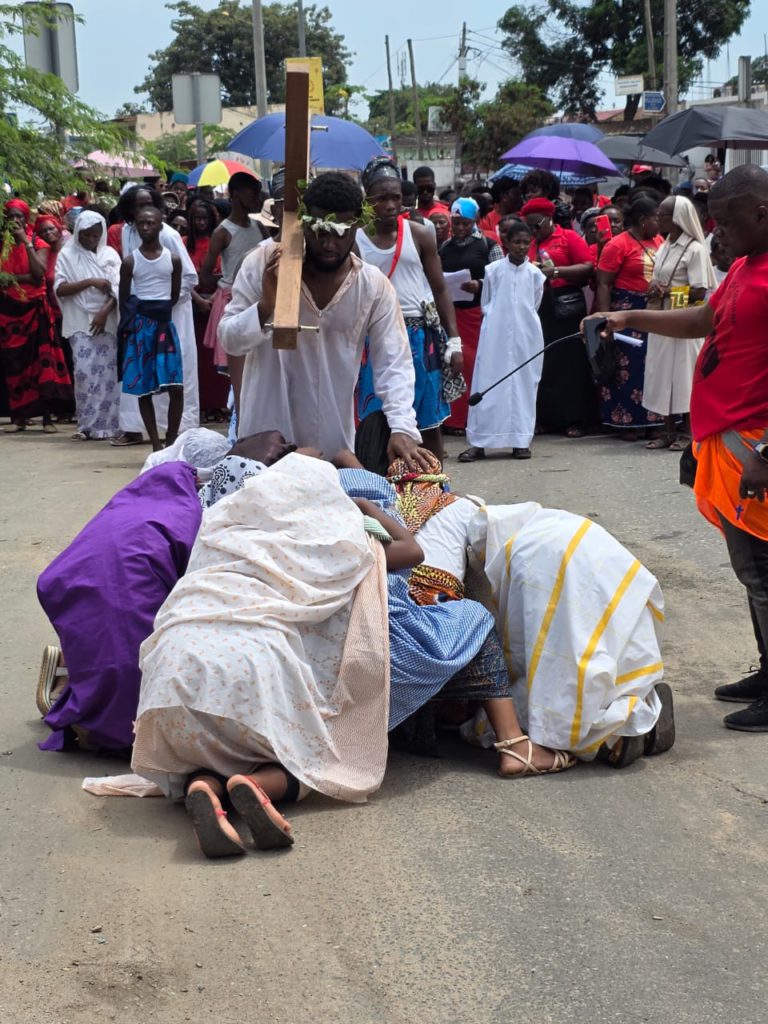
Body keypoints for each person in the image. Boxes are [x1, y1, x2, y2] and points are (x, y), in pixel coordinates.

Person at [132, 452, 411, 857]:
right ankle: (261, 785)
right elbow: (412, 551)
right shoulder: (339, 545)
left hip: (172, 673)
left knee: (209, 741)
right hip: (251, 671)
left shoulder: (223, 528)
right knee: (319, 760)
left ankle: (202, 785)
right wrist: (364, 507)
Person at [586, 164, 768, 731]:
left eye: (728, 221)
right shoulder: (742, 265)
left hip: (756, 441)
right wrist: (628, 315)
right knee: (752, 570)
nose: (718, 232)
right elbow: (704, 320)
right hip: (725, 434)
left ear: (761, 213)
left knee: (764, 569)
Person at [218, 171, 427, 469]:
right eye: (320, 233)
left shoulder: (372, 285)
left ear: (357, 224)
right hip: (266, 440)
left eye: (340, 233)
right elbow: (230, 339)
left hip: (332, 441)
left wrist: (402, 428)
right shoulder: (263, 263)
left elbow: (394, 363)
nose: (329, 244)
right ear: (303, 221)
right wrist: (266, 306)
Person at [357, 159, 463, 462]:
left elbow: (440, 289)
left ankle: (435, 486)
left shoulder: (420, 234)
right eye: (381, 199)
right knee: (377, 418)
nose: (390, 205)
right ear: (368, 200)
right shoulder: (355, 240)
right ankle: (381, 485)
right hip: (375, 337)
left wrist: (454, 343)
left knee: (428, 418)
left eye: (396, 197)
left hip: (419, 336)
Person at [111, 186, 199, 446]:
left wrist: (164, 304)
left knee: (174, 380)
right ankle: (142, 433)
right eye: (137, 206)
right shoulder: (129, 231)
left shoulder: (169, 235)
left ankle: (176, 434)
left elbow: (189, 277)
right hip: (140, 319)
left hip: (169, 317)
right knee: (142, 380)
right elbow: (127, 284)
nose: (143, 215)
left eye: (148, 204)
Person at [460, 219, 545, 462]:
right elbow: (487, 303)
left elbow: (534, 305)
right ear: (506, 243)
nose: (520, 247)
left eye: (525, 243)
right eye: (516, 242)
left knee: (524, 386)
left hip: (526, 337)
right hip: (494, 336)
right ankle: (479, 442)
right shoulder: (493, 271)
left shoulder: (536, 275)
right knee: (487, 383)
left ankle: (520, 440)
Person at [643, 195, 716, 450]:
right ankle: (667, 430)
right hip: (662, 317)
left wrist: (669, 293)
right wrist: (654, 286)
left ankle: (688, 430)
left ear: (675, 218)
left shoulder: (694, 249)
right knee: (661, 372)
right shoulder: (663, 245)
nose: (658, 219)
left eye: (662, 215)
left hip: (684, 318)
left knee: (684, 374)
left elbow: (700, 290)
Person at [522, 197, 596, 437]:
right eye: (530, 226)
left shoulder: (568, 237)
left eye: (537, 225)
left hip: (566, 303)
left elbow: (587, 267)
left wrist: (555, 271)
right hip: (539, 304)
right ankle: (547, 417)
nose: (534, 231)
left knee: (570, 362)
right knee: (545, 361)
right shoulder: (530, 241)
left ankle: (574, 418)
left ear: (550, 219)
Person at [596, 192, 664, 439]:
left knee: (654, 366)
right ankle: (628, 422)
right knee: (628, 367)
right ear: (643, 220)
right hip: (626, 308)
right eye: (657, 217)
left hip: (654, 309)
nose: (660, 222)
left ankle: (654, 422)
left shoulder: (659, 240)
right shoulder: (618, 244)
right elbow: (603, 283)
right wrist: (606, 318)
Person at [0, 199, 72, 433]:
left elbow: (39, 273)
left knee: (44, 365)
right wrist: (21, 278)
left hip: (36, 308)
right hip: (9, 310)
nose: (16, 221)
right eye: (11, 217)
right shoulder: (3, 243)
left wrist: (24, 243)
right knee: (15, 363)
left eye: (19, 216)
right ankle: (19, 416)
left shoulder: (36, 241)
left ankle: (47, 418)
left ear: (25, 218)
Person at [118, 206, 184, 452]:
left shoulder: (173, 259)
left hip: (165, 326)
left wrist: (159, 312)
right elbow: (124, 297)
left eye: (150, 223)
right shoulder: (130, 261)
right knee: (144, 388)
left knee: (175, 386)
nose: (145, 227)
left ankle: (172, 441)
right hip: (141, 328)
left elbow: (174, 295)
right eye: (141, 223)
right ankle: (156, 445)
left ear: (160, 224)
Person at [200, 172, 265, 420]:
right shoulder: (223, 232)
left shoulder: (259, 227)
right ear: (236, 194)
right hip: (232, 299)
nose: (257, 198)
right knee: (235, 364)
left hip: (257, 299)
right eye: (252, 193)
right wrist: (230, 280)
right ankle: (238, 415)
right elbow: (205, 274)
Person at [54, 211, 122, 441]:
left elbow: (120, 288)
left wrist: (105, 311)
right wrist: (90, 282)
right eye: (87, 235)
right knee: (84, 373)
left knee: (108, 376)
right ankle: (87, 425)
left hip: (107, 320)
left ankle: (110, 425)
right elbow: (60, 288)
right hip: (80, 320)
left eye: (96, 235)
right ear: (78, 233)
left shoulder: (110, 255)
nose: (92, 239)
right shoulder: (67, 255)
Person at [439, 197, 503, 433]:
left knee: (479, 364)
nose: (459, 228)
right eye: (455, 223)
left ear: (474, 221)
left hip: (479, 314)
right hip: (452, 315)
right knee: (454, 364)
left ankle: (479, 418)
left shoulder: (488, 245)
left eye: (465, 223)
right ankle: (454, 420)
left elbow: (500, 279)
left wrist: (480, 284)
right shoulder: (444, 247)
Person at [185, 198, 229, 422]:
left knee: (216, 356)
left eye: (205, 219)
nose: (201, 223)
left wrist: (211, 298)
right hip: (192, 303)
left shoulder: (218, 241)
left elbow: (226, 273)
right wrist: (198, 300)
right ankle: (201, 405)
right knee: (199, 360)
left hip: (216, 300)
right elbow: (185, 276)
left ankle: (218, 404)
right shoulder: (185, 243)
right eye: (197, 219)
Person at [478, 178, 521, 242]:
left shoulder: (522, 217)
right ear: (504, 196)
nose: (519, 198)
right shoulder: (487, 220)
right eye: (516, 194)